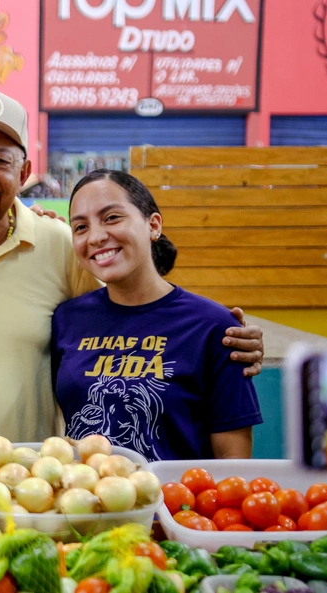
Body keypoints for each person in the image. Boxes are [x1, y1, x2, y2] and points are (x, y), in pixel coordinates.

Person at [0, 88, 264, 482]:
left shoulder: (59, 243)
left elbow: (132, 311)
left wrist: (215, 335)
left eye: (1, 161)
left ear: (24, 172)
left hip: (32, 494)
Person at [52, 170, 263, 461]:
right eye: (80, 227)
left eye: (112, 217)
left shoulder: (214, 327)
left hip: (176, 504)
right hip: (86, 502)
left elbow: (233, 465)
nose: (97, 237)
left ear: (153, 225)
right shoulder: (66, 319)